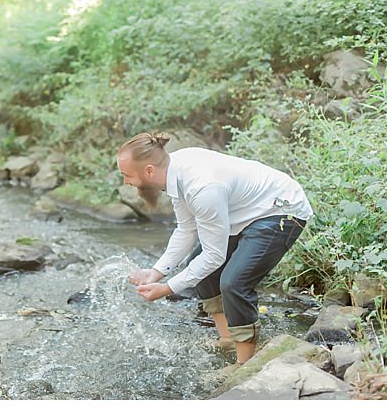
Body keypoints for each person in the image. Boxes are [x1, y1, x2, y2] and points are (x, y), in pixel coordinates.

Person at [117, 132, 312, 366]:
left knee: (234, 282)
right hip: (244, 213)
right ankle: (228, 339)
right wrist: (156, 272)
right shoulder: (174, 171)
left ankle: (244, 364)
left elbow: (214, 256)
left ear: (149, 171)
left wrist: (167, 288)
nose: (125, 182)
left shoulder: (201, 187)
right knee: (199, 266)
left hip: (281, 210)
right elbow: (186, 230)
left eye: (126, 175)